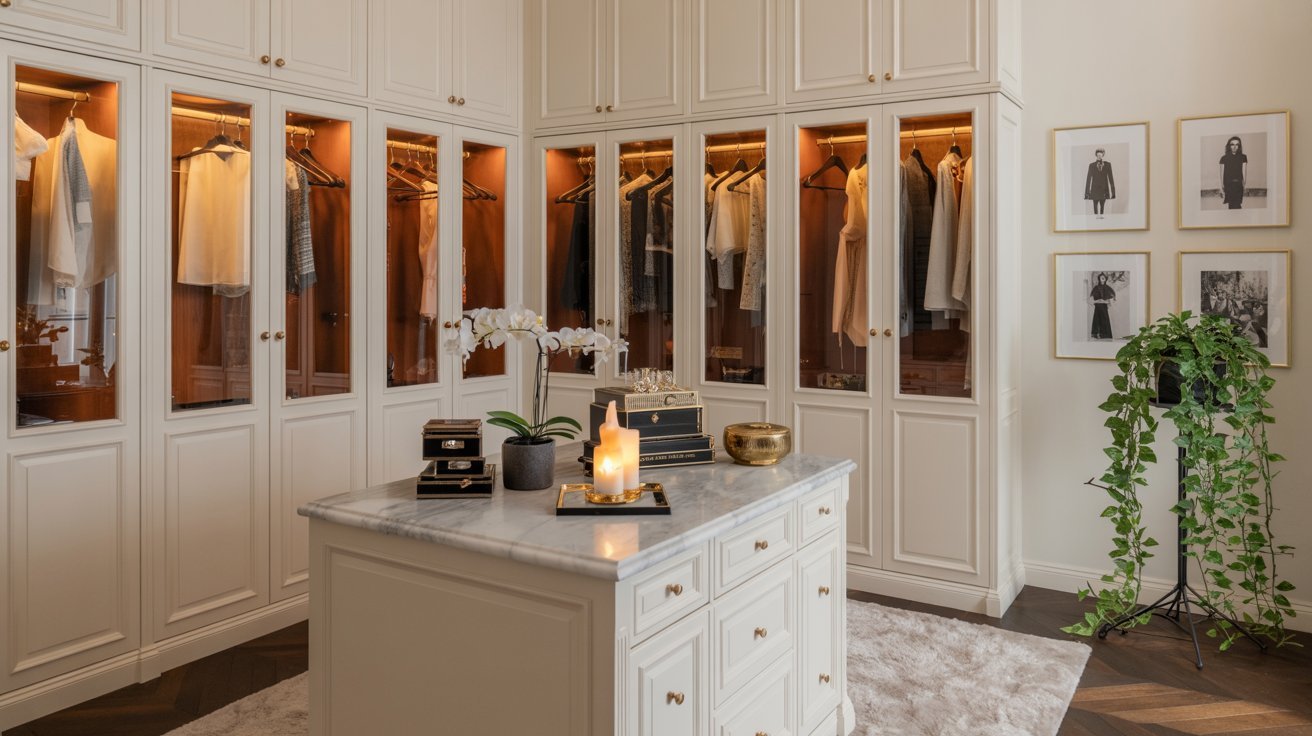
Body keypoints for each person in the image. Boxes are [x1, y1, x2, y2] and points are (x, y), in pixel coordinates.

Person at [1084, 148, 1115, 218]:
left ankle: (1101, 221)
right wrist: (1087, 194)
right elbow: (1088, 179)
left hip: (1104, 190)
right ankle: (1095, 221)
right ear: (1096, 155)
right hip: (1094, 190)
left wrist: (1113, 193)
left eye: (1101, 154)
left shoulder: (1107, 165)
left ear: (1103, 155)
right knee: (1095, 207)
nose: (1099, 156)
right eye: (1098, 155)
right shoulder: (1091, 165)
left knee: (1102, 208)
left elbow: (1111, 178)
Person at [1218, 136, 1247, 209]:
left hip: (1238, 186)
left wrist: (1244, 186)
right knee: (1232, 206)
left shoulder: (1243, 157)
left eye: (1237, 144)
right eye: (1232, 144)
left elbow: (1244, 172)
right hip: (1228, 186)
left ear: (1239, 146)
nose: (1234, 147)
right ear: (1229, 146)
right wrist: (1221, 188)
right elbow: (1221, 174)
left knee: (1236, 205)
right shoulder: (1223, 158)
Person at [1089, 272, 1115, 339]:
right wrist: (1097, 301)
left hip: (1104, 307)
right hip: (1097, 307)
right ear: (1099, 279)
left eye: (1104, 277)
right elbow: (1090, 299)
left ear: (1105, 279)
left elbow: (1112, 298)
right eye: (1101, 277)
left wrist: (1106, 301)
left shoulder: (1108, 288)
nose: (1102, 278)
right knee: (1097, 320)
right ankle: (1097, 335)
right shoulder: (1096, 288)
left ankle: (1105, 335)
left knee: (1105, 320)